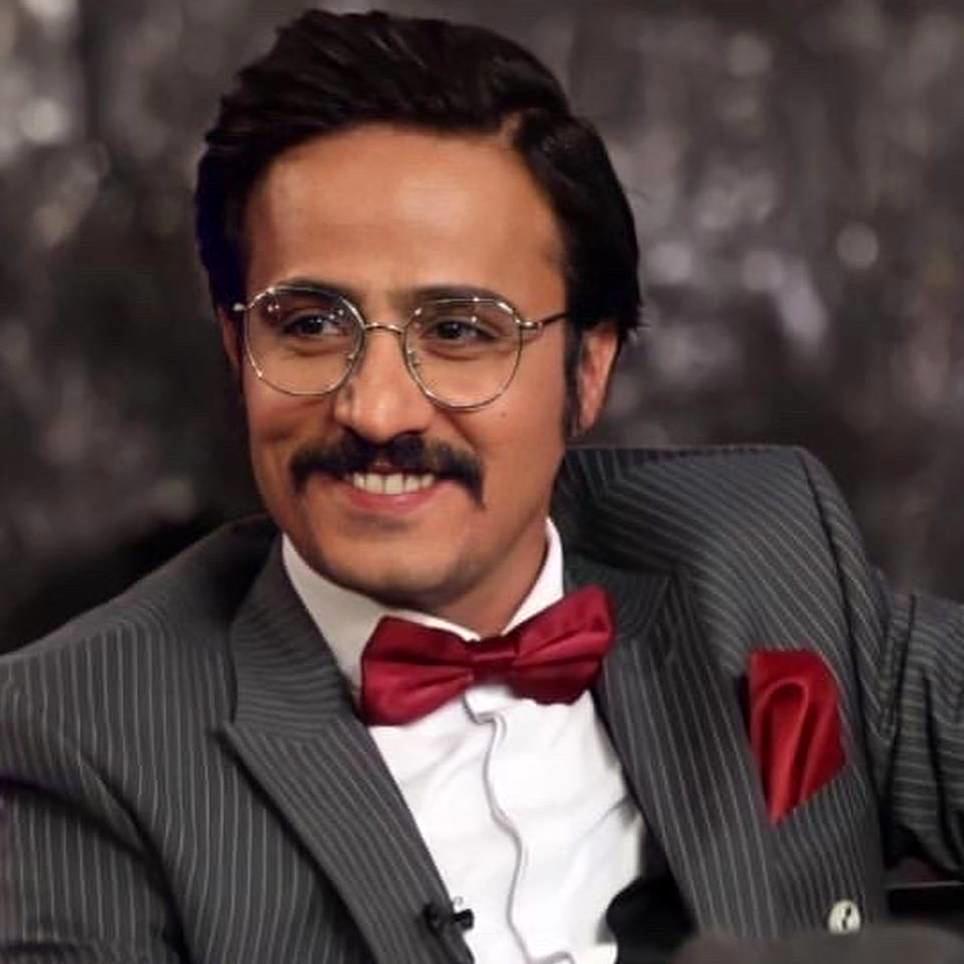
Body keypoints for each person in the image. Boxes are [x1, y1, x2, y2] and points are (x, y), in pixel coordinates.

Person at [1, 9, 962, 964]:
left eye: (459, 331)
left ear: (590, 370)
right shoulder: (71, 735)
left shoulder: (762, 543)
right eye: (309, 326)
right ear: (234, 344)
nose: (376, 410)